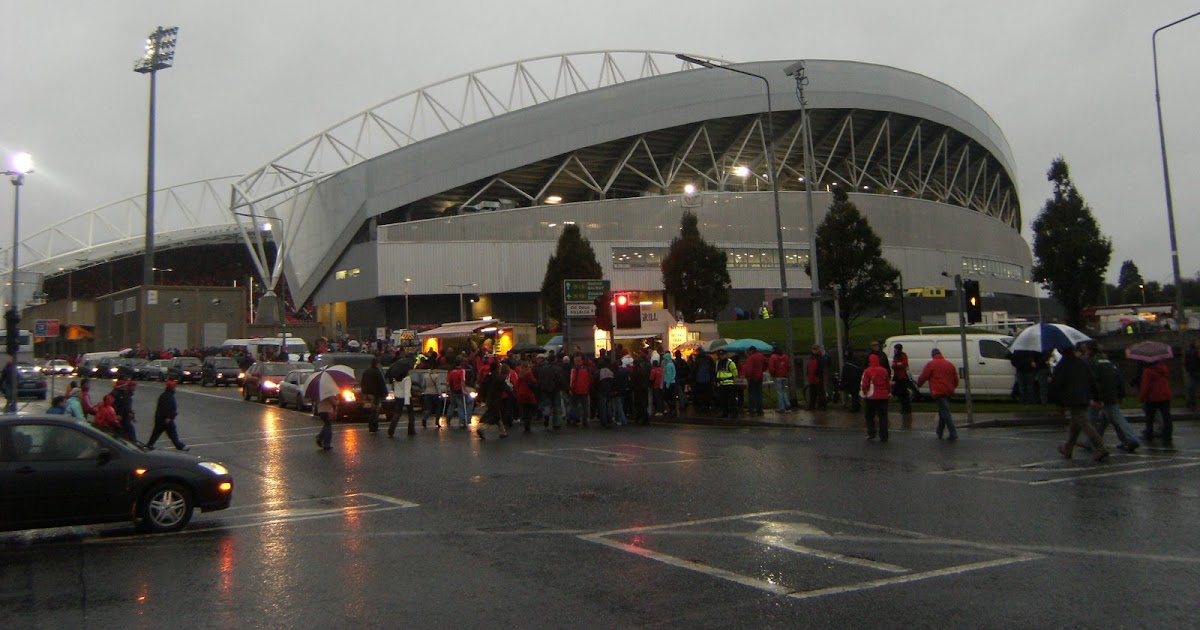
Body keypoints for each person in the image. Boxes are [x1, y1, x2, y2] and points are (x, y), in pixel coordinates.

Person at [1051, 344, 1109, 461]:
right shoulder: (1082, 362)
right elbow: (1092, 380)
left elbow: (1057, 384)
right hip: (1084, 396)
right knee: (1075, 424)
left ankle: (1100, 447)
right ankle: (1068, 448)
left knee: (1084, 423)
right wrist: (1097, 397)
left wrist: (1058, 402)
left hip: (1072, 397)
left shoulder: (1062, 365)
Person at [1083, 342, 1139, 453]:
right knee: (1112, 417)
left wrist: (1093, 397)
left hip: (1098, 395)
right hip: (1112, 394)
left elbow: (1092, 381)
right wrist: (1121, 394)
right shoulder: (1109, 362)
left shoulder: (1091, 362)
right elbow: (1119, 379)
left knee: (1092, 418)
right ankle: (1127, 439)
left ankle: (1090, 441)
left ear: (1089, 350)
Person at [916, 348, 960, 440]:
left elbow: (924, 376)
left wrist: (918, 384)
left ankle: (953, 433)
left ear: (933, 355)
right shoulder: (949, 364)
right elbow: (955, 379)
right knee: (943, 411)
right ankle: (939, 431)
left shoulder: (931, 364)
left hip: (938, 391)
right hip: (948, 390)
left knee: (945, 412)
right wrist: (952, 387)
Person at [146, 380, 188, 451]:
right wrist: (169, 417)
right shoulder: (168, 396)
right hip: (166, 419)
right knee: (172, 434)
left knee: (157, 433)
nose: (175, 389)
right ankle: (180, 446)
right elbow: (167, 408)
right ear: (172, 388)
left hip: (161, 419)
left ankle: (149, 445)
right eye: (174, 387)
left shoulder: (165, 395)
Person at [1139, 359, 1173, 445]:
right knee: (1166, 416)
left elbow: (1145, 385)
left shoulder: (1147, 371)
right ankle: (1168, 435)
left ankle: (1149, 434)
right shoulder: (1164, 368)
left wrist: (1142, 397)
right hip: (1165, 394)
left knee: (1150, 417)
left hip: (1152, 396)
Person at [476, 362, 511, 439]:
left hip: (489, 399)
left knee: (497, 416)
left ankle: (503, 432)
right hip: (496, 399)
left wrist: (481, 397)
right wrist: (512, 394)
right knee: (493, 417)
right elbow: (506, 388)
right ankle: (482, 429)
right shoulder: (499, 378)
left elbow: (482, 387)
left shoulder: (488, 376)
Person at [861, 354, 892, 442]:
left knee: (869, 415)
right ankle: (884, 436)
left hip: (871, 397)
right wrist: (888, 392)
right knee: (883, 416)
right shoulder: (884, 370)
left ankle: (871, 433)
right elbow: (887, 383)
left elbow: (865, 384)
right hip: (883, 396)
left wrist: (864, 392)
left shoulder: (867, 371)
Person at [361, 357, 388, 433]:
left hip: (369, 393)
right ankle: (374, 426)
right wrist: (385, 393)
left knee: (373, 410)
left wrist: (364, 392)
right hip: (376, 394)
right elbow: (381, 384)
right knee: (375, 410)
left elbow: (363, 382)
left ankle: (371, 426)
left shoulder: (366, 372)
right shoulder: (377, 372)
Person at [891, 343, 914, 427]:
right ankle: (904, 408)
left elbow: (904, 364)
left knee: (903, 393)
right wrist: (896, 365)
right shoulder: (896, 356)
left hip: (902, 377)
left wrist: (897, 365)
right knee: (899, 393)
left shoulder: (903, 355)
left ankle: (906, 408)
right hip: (898, 377)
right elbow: (895, 365)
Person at [742, 346, 767, 416]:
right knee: (759, 394)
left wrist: (747, 377)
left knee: (752, 395)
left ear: (750, 351)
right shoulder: (761, 356)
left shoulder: (751, 358)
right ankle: (760, 409)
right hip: (760, 377)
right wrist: (762, 370)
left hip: (752, 378)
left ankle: (752, 409)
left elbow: (749, 369)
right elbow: (766, 364)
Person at [715, 349, 739, 419]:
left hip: (729, 384)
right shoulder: (717, 363)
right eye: (720, 355)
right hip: (721, 384)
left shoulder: (730, 363)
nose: (721, 356)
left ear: (726, 355)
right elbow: (717, 372)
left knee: (731, 400)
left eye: (723, 355)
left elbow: (735, 373)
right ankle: (724, 413)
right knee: (723, 400)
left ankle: (733, 413)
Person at [768, 346, 791, 413]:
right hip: (785, 376)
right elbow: (789, 366)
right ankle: (787, 404)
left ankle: (781, 408)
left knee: (779, 392)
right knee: (783, 391)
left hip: (777, 376)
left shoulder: (773, 357)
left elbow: (771, 367)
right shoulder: (785, 357)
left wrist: (772, 374)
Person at [806, 346, 827, 411]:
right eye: (813, 349)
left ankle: (822, 406)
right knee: (812, 393)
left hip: (817, 377)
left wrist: (817, 374)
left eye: (816, 349)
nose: (814, 351)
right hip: (812, 377)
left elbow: (821, 368)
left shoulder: (820, 358)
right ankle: (812, 405)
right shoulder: (812, 358)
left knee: (820, 392)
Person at [1185, 339, 1200, 412]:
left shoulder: (1187, 352)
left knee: (1191, 388)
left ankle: (1190, 404)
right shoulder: (1197, 352)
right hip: (1197, 372)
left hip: (1191, 372)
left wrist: (1188, 369)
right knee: (1192, 388)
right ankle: (1192, 404)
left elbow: (1185, 362)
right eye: (1197, 343)